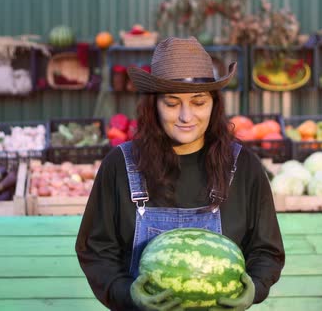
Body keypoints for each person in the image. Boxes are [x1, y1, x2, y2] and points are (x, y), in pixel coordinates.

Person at [76, 36, 284, 310]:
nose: (186, 116)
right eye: (172, 103)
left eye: (198, 102)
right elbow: (96, 251)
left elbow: (267, 251)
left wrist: (254, 288)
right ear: (154, 106)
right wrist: (127, 294)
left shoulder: (244, 167)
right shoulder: (120, 165)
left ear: (214, 104)